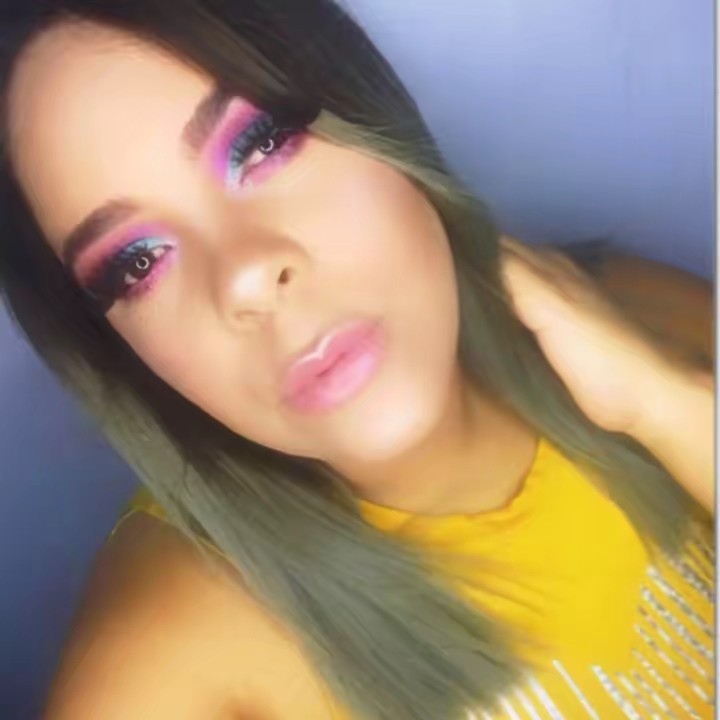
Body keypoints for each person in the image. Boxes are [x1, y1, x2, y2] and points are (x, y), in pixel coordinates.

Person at [0, 1, 713, 718]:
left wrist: (674, 409)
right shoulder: (167, 659)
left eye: (260, 144)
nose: (247, 278)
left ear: (368, 113)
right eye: (137, 263)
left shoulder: (633, 314)